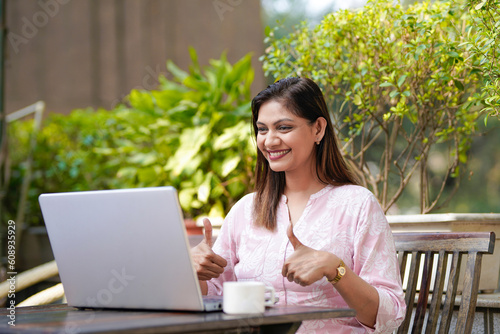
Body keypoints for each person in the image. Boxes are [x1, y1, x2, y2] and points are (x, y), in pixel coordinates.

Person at [192, 77, 405, 333]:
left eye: (283, 128)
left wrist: (335, 268)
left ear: (318, 129)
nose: (269, 141)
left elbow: (390, 315)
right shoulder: (245, 210)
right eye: (262, 129)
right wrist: (194, 272)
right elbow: (214, 295)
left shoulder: (356, 205)